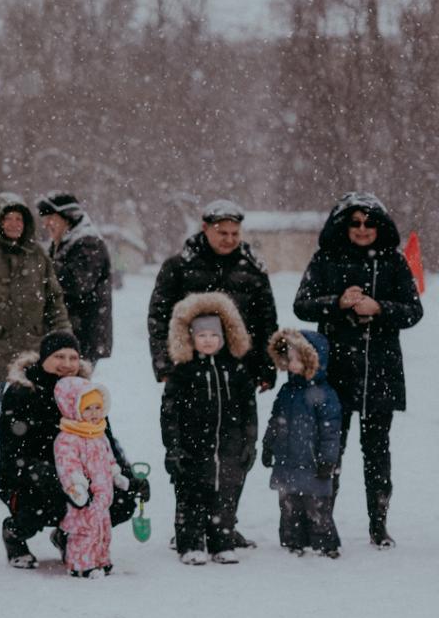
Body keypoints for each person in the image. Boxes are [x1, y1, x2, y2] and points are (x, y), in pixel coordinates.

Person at [293, 193, 423, 548]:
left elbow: (414, 310)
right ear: (343, 225)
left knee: (378, 451)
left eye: (369, 223)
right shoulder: (326, 259)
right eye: (355, 223)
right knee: (330, 450)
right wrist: (338, 303)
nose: (363, 229)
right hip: (335, 370)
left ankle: (378, 525)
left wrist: (379, 307)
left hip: (380, 369)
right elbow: (302, 304)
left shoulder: (393, 261)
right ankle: (323, 523)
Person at [147, 198, 276, 548]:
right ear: (205, 229)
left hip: (238, 373)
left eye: (235, 233)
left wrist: (265, 367)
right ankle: (188, 526)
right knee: (191, 453)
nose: (229, 238)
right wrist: (164, 363)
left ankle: (223, 524)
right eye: (222, 232)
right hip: (190, 373)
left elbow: (267, 321)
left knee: (234, 453)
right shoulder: (179, 266)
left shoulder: (252, 268)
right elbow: (159, 317)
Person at [0, 331, 148, 568]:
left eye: (73, 357)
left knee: (120, 500)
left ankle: (68, 535)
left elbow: (105, 441)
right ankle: (15, 532)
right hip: (27, 477)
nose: (67, 364)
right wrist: (40, 471)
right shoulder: (22, 393)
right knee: (49, 499)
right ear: (43, 358)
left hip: (79, 476)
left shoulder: (85, 393)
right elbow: (11, 451)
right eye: (59, 356)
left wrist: (127, 475)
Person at [0, 192, 70, 507]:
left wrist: (64, 345)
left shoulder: (39, 258)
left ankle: (25, 477)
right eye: (8, 218)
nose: (14, 224)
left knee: (31, 420)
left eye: (19, 219)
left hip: (31, 357)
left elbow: (54, 303)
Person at [160, 292, 257, 566]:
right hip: (193, 447)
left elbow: (249, 409)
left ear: (224, 337)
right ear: (191, 338)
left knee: (224, 497)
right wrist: (173, 447)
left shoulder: (236, 370)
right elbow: (169, 413)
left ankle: (221, 543)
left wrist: (249, 442)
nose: (208, 340)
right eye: (201, 335)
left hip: (229, 447)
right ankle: (190, 543)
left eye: (213, 335)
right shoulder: (183, 372)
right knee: (191, 496)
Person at [262, 329, 343, 558]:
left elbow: (330, 432)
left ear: (312, 360)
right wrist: (269, 445)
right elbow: (275, 421)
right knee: (289, 505)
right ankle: (292, 541)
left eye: (297, 358)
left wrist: (328, 459)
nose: (292, 363)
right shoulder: (286, 391)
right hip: (287, 461)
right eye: (289, 358)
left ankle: (325, 544)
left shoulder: (324, 395)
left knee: (316, 507)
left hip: (313, 463)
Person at [52, 376, 121, 578]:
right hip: (85, 495)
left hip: (103, 496)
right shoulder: (68, 438)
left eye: (98, 408)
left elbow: (109, 458)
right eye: (88, 408)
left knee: (102, 528)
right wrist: (78, 486)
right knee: (84, 530)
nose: (94, 414)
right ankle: (80, 564)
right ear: (75, 409)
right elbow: (68, 465)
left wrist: (116, 473)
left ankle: (101, 559)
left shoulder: (99, 434)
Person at [38, 194, 113, 367]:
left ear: (69, 217)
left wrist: (44, 265)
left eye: (51, 218)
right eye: (45, 219)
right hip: (68, 333)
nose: (46, 224)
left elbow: (78, 283)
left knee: (74, 390)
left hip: (83, 336)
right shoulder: (63, 242)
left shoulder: (88, 243)